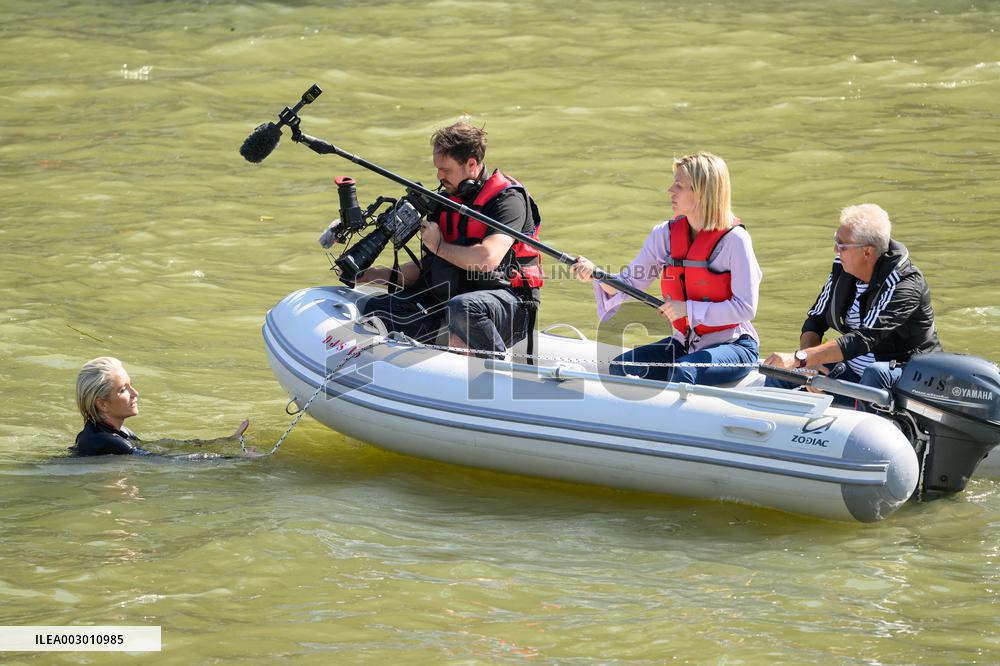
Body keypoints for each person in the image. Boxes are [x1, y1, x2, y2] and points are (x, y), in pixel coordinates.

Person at [572, 151, 761, 385]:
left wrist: (687, 310)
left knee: (683, 372)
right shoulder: (664, 234)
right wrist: (595, 274)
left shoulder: (735, 240)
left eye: (679, 186)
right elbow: (630, 284)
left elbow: (746, 308)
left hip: (733, 345)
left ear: (702, 192)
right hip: (684, 344)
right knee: (621, 367)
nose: (670, 191)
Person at [357, 122, 543, 356]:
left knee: (464, 308)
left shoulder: (508, 200)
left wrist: (439, 245)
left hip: (510, 305)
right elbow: (427, 270)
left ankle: (496, 372)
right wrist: (370, 275)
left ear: (472, 164)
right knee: (375, 307)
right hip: (453, 300)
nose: (439, 176)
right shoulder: (447, 202)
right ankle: (438, 360)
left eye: (446, 170)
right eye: (437, 168)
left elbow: (488, 259)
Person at [763, 204, 941, 402]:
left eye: (842, 245)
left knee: (875, 373)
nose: (835, 250)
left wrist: (799, 357)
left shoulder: (904, 284)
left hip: (903, 374)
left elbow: (864, 338)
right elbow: (816, 320)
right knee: (780, 375)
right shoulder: (842, 268)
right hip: (853, 369)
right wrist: (807, 364)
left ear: (867, 252)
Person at [71, 356, 251, 457]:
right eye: (124, 390)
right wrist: (234, 459)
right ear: (102, 403)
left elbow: (170, 447)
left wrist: (227, 440)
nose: (136, 393)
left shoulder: (122, 433)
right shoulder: (104, 440)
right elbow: (164, 461)